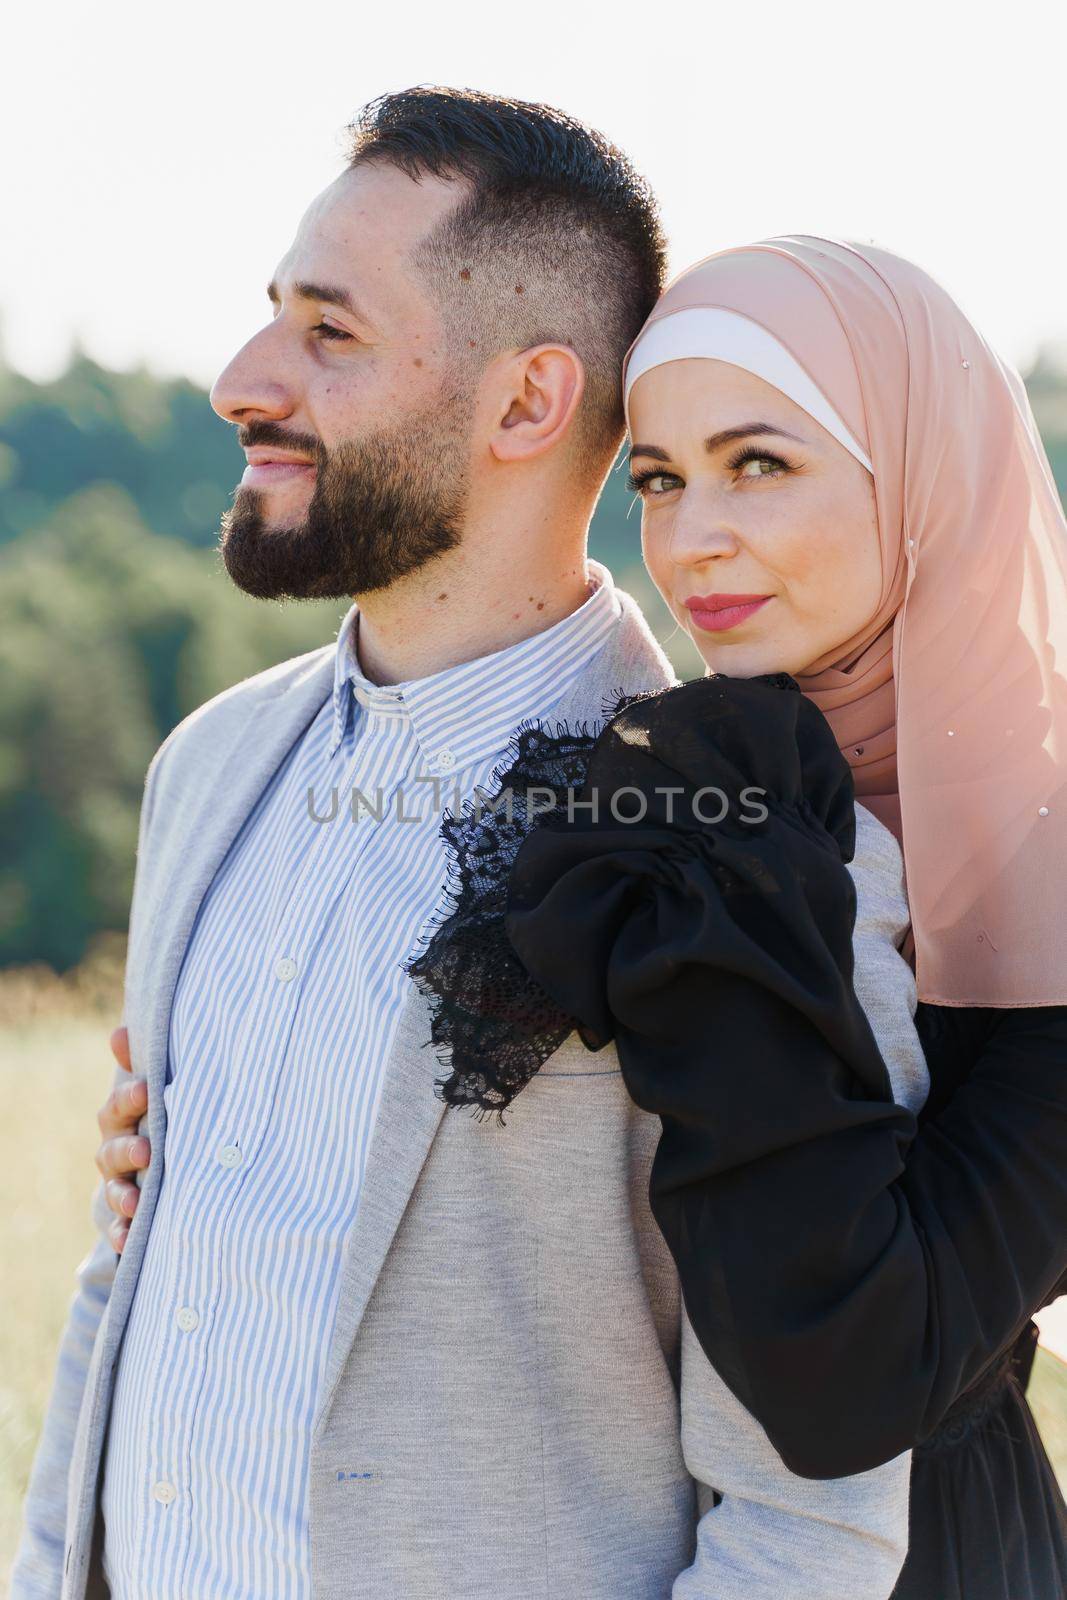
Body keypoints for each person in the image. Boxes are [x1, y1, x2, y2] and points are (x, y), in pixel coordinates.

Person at [10, 101, 919, 1600]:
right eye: (269, 322)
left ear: (525, 404)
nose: (243, 384)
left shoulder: (747, 863)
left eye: (331, 336)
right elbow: (131, 1284)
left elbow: (810, 1509)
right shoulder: (211, 769)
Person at [495, 236, 1067, 1599]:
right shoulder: (657, 780)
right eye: (659, 480)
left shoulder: (1050, 870)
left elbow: (846, 1368)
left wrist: (739, 876)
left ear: (919, 477)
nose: (694, 540)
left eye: (761, 463)